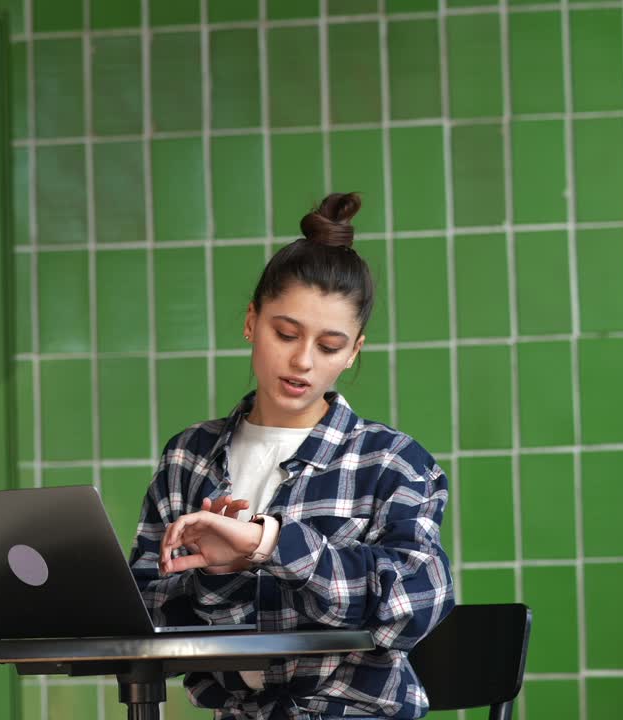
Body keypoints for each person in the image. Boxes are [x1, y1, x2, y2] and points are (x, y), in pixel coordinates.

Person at [129, 192, 454, 720]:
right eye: (285, 333)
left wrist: (271, 543)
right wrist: (217, 577)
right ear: (251, 321)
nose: (302, 360)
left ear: (353, 352)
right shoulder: (189, 458)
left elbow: (418, 603)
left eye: (329, 346)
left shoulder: (391, 462)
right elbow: (143, 618)